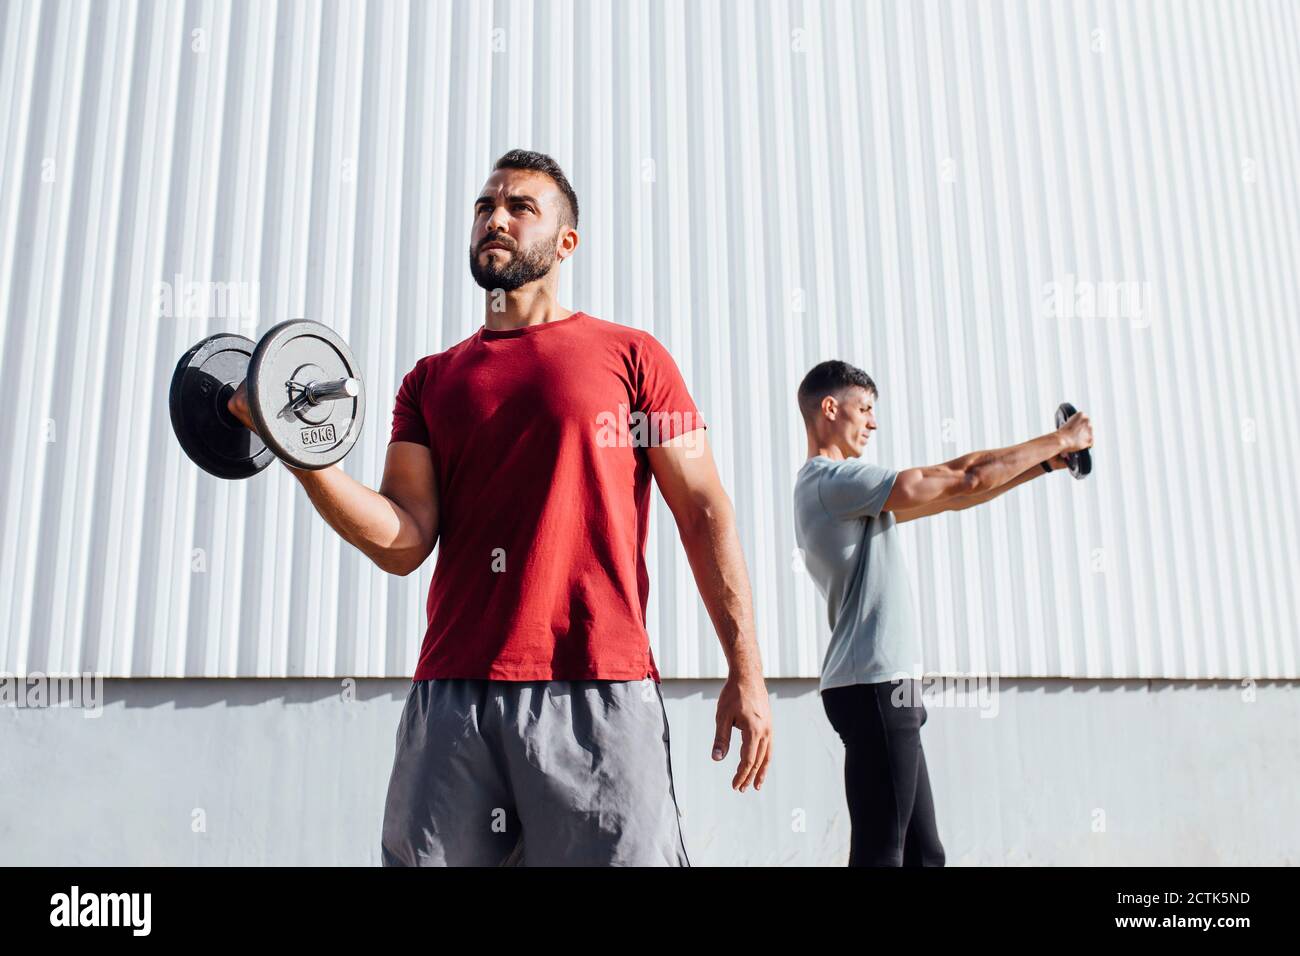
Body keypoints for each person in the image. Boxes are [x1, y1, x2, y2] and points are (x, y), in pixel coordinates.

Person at [228, 149, 772, 866]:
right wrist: (302, 453)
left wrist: (747, 670)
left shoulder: (633, 356)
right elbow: (404, 539)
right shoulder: (430, 381)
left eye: (522, 207)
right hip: (453, 695)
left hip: (596, 684)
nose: (498, 219)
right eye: (487, 206)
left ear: (565, 242)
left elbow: (704, 511)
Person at [792, 360, 1092, 866]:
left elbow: (960, 492)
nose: (873, 422)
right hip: (874, 686)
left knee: (922, 855)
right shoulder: (834, 482)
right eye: (864, 409)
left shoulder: (844, 494)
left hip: (879, 686)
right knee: (881, 853)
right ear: (829, 408)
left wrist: (1044, 465)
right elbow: (963, 474)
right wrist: (1057, 438)